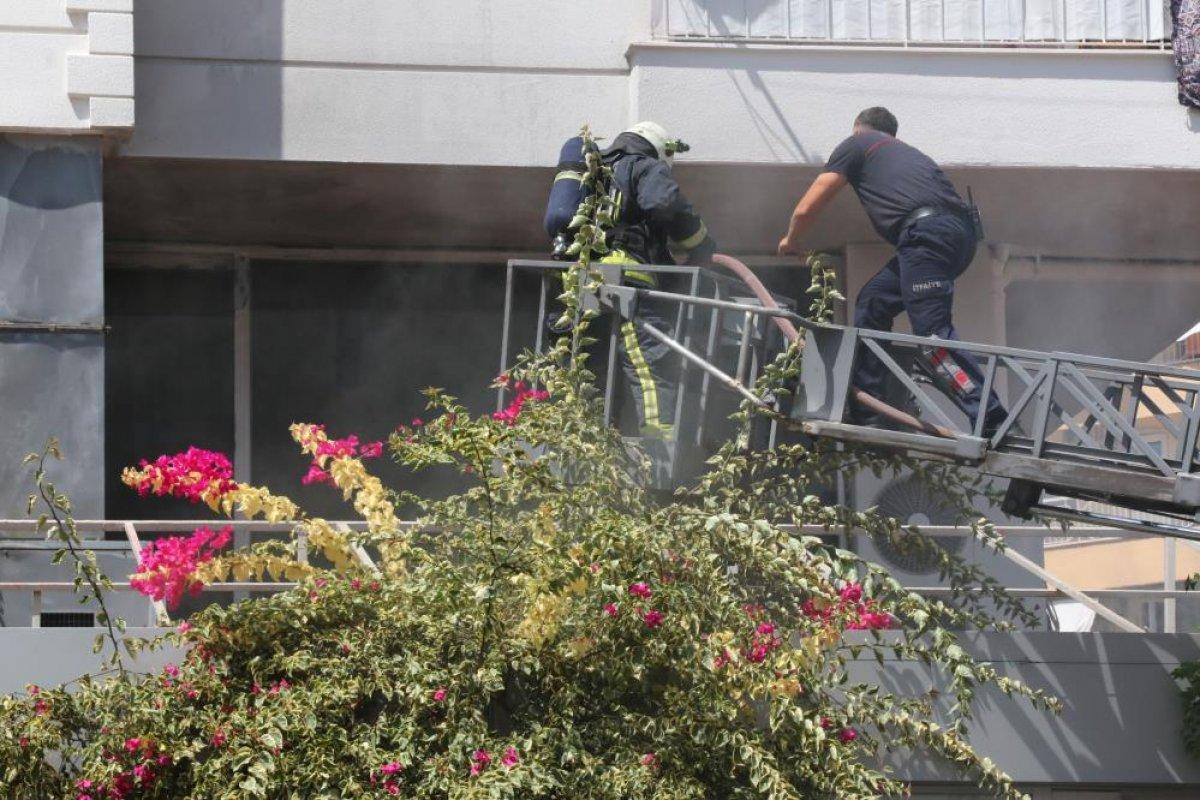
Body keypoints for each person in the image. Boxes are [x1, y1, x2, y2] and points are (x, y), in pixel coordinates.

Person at [776, 106, 1006, 435]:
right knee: (873, 301)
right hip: (954, 238)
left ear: (859, 129)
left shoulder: (857, 143)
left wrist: (791, 241)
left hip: (926, 236)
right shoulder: (905, 153)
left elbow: (806, 208)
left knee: (932, 338)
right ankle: (871, 405)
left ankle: (991, 417)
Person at [544, 122, 716, 443]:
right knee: (648, 362)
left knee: (588, 361)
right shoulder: (643, 165)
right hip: (626, 282)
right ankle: (659, 440)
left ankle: (586, 437)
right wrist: (700, 242)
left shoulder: (593, 170)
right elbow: (665, 204)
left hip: (581, 281)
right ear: (660, 151)